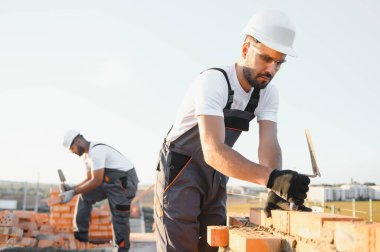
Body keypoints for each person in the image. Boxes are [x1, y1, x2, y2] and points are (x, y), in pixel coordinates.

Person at [154, 10, 311, 252]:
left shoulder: (267, 93)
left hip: (217, 173)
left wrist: (277, 188)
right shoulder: (213, 82)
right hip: (181, 169)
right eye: (266, 58)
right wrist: (270, 178)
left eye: (279, 62)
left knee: (212, 243)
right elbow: (213, 150)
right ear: (246, 49)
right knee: (181, 245)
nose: (271, 69)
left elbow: (269, 143)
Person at [60, 130, 139, 252]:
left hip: (124, 183)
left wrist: (73, 192)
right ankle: (81, 238)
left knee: (119, 217)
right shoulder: (87, 157)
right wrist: (72, 188)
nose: (73, 152)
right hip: (109, 182)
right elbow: (89, 179)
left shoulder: (96, 151)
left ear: (79, 141)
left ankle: (121, 249)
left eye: (72, 149)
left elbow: (96, 181)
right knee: (85, 195)